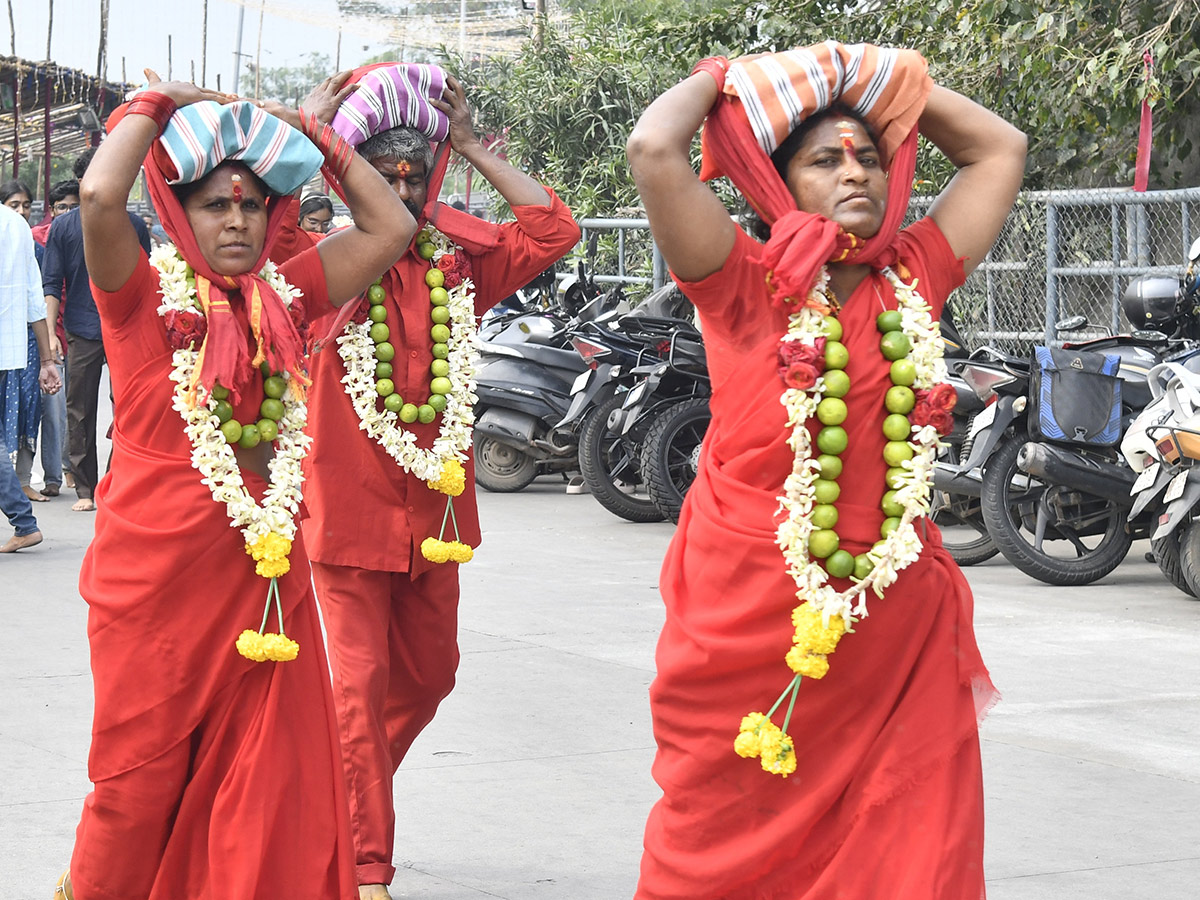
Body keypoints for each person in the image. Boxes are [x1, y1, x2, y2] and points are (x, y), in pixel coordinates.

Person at [625, 42, 1026, 898]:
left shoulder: (912, 276)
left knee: (907, 841)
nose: (855, 172)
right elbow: (654, 149)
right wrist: (722, 80)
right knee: (719, 835)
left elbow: (1000, 149)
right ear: (776, 185)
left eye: (870, 157)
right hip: (748, 615)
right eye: (824, 160)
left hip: (892, 623)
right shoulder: (741, 280)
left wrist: (888, 79)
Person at [54, 68, 413, 900]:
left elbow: (390, 226)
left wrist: (313, 134)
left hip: (264, 589)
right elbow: (101, 197)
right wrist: (162, 104)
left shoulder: (291, 296)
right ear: (180, 213)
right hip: (152, 593)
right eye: (216, 204)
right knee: (135, 791)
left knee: (266, 785)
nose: (238, 220)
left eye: (253, 205)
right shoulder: (138, 302)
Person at [296, 62, 580, 899]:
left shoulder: (459, 267)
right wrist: (308, 134)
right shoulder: (316, 265)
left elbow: (553, 230)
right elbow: (262, 229)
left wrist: (472, 146)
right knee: (356, 691)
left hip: (435, 522)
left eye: (414, 177)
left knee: (428, 677)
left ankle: (328, 793)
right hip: (345, 518)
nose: (401, 191)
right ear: (349, 181)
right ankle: (364, 866)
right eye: (381, 178)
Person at [42, 164, 151, 511]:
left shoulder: (134, 225)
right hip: (82, 328)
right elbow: (51, 282)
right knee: (80, 409)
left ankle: (117, 481)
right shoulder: (64, 227)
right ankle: (85, 490)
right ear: (82, 181)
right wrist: (50, 334)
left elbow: (147, 280)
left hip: (126, 329)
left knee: (129, 407)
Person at [0, 204, 60, 552]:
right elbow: (34, 297)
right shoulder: (14, 224)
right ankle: (24, 522)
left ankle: (24, 522)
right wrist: (46, 359)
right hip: (6, 350)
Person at [29, 179, 78, 493]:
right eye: (62, 207)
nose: (68, 213)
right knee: (53, 407)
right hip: (48, 332)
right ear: (51, 210)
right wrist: (47, 334)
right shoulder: (37, 240)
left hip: (79, 330)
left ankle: (71, 468)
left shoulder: (89, 235)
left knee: (76, 406)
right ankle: (53, 477)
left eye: (74, 207)